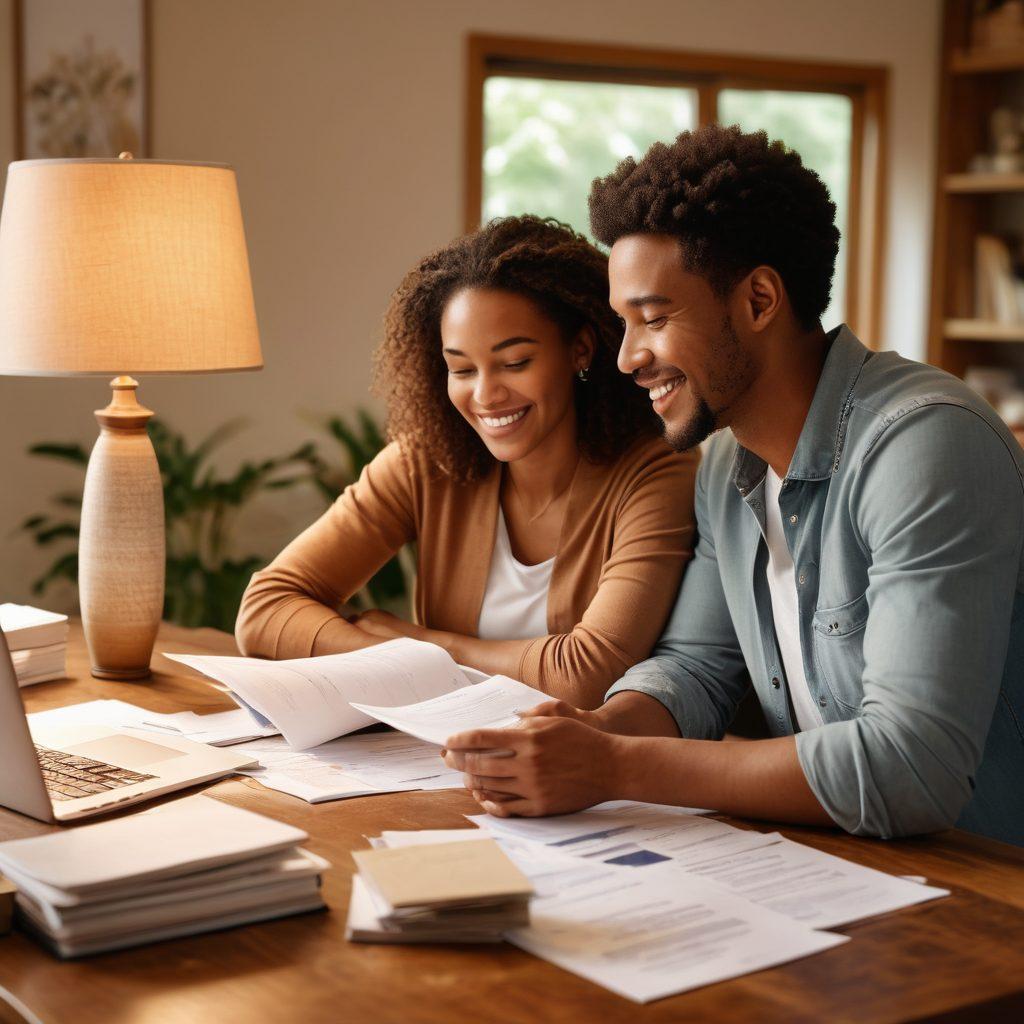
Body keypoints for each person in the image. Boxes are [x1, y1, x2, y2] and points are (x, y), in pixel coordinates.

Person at [443, 126, 1024, 846]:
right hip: (848, 871)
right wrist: (588, 734)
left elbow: (912, 766)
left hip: (987, 894)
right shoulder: (725, 464)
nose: (627, 358)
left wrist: (615, 766)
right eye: (623, 323)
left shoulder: (925, 445)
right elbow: (697, 668)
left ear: (758, 300)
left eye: (653, 319)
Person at [236, 215, 699, 708]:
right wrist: (400, 656)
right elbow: (265, 609)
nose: (485, 395)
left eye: (515, 363)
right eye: (461, 368)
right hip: (436, 761)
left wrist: (421, 650)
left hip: (581, 776)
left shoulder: (656, 473)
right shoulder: (426, 462)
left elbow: (585, 674)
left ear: (580, 349)